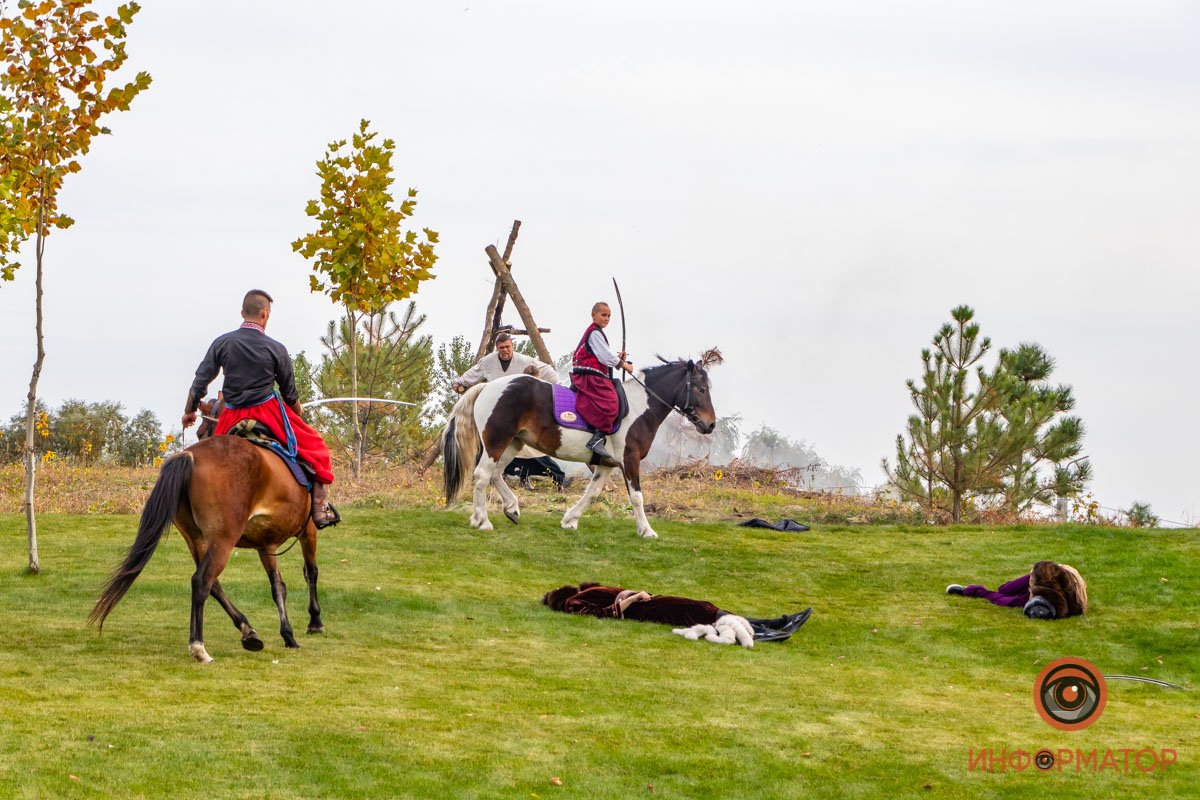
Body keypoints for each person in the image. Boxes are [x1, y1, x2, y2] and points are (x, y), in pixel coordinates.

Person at [181, 289, 339, 528]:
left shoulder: (222, 342)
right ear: (265, 314)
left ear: (243, 313)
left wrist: (190, 411)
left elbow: (200, 382)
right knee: (317, 448)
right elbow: (289, 393)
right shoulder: (276, 348)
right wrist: (297, 410)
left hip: (230, 417)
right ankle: (319, 508)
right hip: (267, 413)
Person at [543, 582, 813, 647]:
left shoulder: (583, 592)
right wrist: (634, 598)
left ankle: (770, 624)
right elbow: (604, 614)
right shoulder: (574, 603)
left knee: (701, 607)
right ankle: (765, 630)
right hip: (645, 609)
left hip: (646, 602)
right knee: (697, 610)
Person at [570, 302, 634, 461]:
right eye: (603, 315)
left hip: (592, 373)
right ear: (594, 315)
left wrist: (617, 359)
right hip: (589, 376)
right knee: (611, 401)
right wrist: (624, 365)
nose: (607, 318)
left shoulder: (596, 333)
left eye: (609, 316)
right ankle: (597, 438)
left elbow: (602, 357)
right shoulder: (595, 333)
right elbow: (605, 357)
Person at [946, 561, 1088, 620]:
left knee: (1004, 593)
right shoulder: (1058, 581)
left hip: (1048, 587)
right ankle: (971, 590)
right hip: (1053, 577)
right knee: (1005, 589)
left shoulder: (1073, 603)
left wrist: (978, 591)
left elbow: (1001, 596)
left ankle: (971, 590)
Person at [453, 332, 558, 393]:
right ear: (497, 348)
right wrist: (460, 382)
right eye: (501, 348)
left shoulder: (524, 360)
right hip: (495, 400)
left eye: (507, 347)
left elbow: (546, 369)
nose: (505, 350)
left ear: (512, 346)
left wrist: (558, 386)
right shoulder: (488, 361)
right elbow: (475, 371)